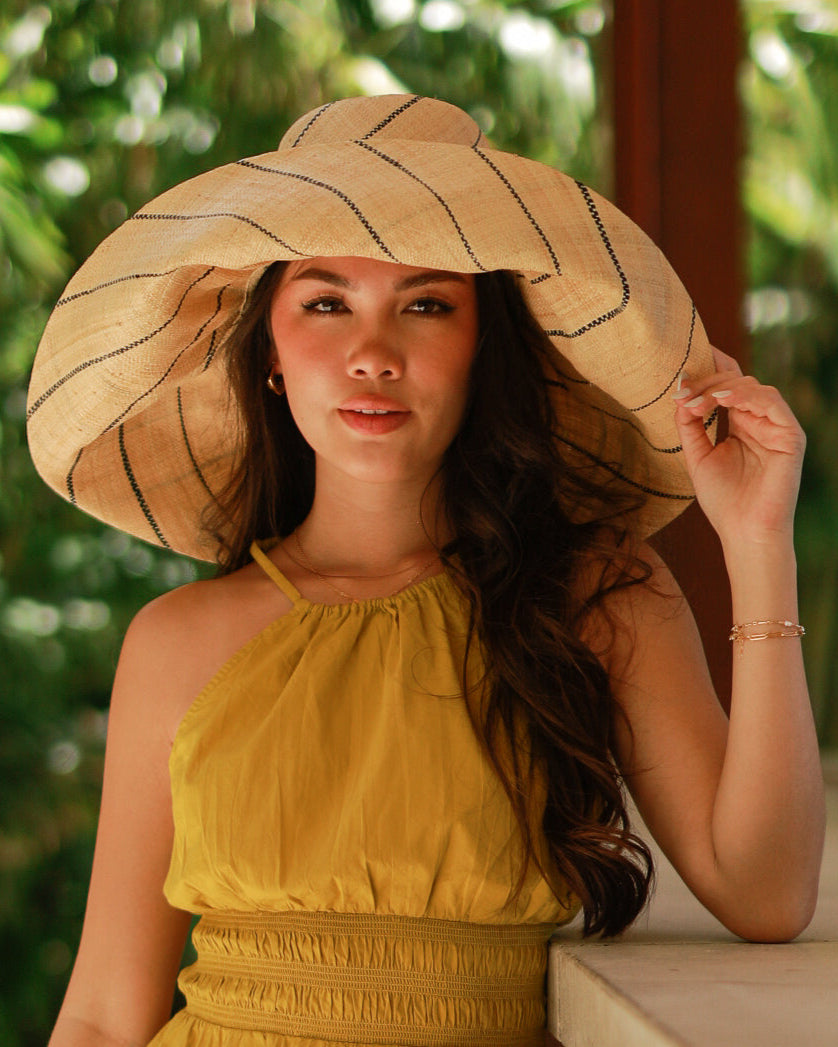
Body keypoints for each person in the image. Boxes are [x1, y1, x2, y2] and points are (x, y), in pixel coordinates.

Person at [28, 95, 824, 1047]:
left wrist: (756, 544)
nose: (373, 353)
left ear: (481, 344)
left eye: (427, 304)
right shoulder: (176, 641)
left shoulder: (594, 595)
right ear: (272, 352)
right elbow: (104, 1016)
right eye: (325, 303)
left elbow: (766, 893)